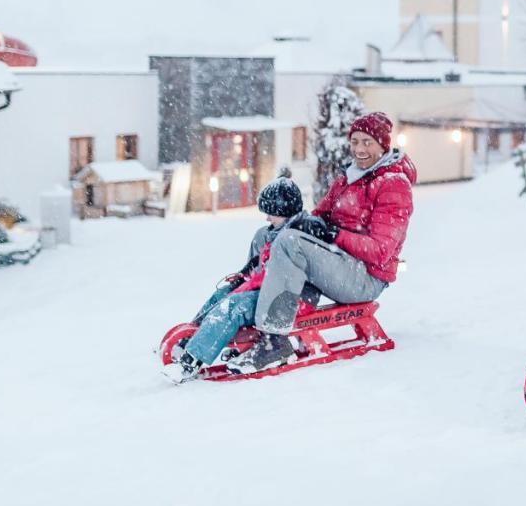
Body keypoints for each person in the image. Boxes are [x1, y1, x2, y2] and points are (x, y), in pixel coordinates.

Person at [227, 112, 416, 374]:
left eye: (367, 142)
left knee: (290, 243)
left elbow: (380, 251)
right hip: (336, 264)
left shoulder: (393, 185)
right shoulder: (349, 177)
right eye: (355, 141)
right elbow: (320, 217)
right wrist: (297, 224)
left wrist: (331, 235)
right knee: (267, 234)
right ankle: (254, 311)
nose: (359, 149)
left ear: (383, 144)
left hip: (364, 279)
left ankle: (274, 340)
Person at [162, 175, 331, 384]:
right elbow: (259, 269)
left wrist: (244, 288)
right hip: (269, 291)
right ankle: (192, 338)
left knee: (234, 306)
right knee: (223, 294)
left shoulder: (298, 236)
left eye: (272, 213)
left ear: (286, 212)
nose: (267, 218)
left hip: (290, 299)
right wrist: (241, 281)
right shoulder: (276, 232)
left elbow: (277, 276)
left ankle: (191, 361)